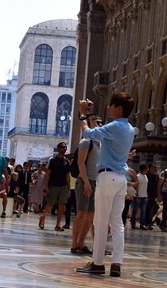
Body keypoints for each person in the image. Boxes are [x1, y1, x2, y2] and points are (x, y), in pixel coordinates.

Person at [76, 92, 135, 277]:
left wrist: (83, 114)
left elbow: (88, 133)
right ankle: (116, 263)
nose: (108, 108)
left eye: (111, 105)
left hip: (107, 177)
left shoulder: (115, 126)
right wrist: (92, 116)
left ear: (118, 108)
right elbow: (99, 137)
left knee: (100, 221)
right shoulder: (129, 129)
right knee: (117, 223)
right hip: (120, 179)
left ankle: (98, 263)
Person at [70, 118, 101, 255]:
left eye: (100, 123)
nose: (99, 125)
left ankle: (81, 243)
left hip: (96, 181)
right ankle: (74, 244)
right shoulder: (86, 142)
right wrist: (86, 182)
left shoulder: (99, 144)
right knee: (81, 213)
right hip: (84, 180)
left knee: (90, 215)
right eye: (96, 122)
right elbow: (80, 163)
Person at [38, 142, 71, 231]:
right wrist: (46, 186)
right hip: (53, 185)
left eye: (65, 147)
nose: (64, 149)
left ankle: (58, 224)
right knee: (50, 203)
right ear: (58, 149)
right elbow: (48, 174)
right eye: (63, 147)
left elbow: (67, 175)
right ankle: (43, 217)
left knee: (62, 204)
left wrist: (69, 188)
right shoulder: (52, 160)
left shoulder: (67, 161)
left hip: (63, 185)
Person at [131, 163, 148, 229]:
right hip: (138, 196)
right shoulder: (138, 176)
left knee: (143, 211)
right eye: (146, 169)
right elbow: (136, 187)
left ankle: (142, 224)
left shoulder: (145, 176)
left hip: (144, 195)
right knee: (135, 210)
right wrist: (137, 196)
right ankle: (133, 223)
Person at [144, 162, 159, 228]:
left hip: (154, 196)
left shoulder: (156, 176)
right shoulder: (146, 176)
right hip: (147, 195)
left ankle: (150, 222)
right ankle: (146, 222)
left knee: (155, 209)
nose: (154, 169)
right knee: (147, 210)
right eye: (153, 167)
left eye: (155, 167)